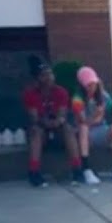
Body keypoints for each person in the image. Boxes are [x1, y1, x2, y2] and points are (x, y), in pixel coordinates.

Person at [23, 55, 83, 187]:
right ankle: (34, 173)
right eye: (44, 75)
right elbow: (34, 117)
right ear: (38, 78)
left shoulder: (61, 92)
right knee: (35, 131)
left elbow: (62, 114)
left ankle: (77, 170)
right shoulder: (30, 94)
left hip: (57, 129)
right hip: (40, 130)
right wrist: (46, 122)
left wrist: (58, 121)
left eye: (50, 74)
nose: (49, 77)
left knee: (68, 128)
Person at [70, 65, 112, 184]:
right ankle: (86, 169)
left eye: (94, 84)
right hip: (86, 135)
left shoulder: (102, 95)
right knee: (84, 128)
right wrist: (97, 116)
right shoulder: (77, 99)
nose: (92, 87)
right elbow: (83, 121)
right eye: (88, 85)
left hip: (102, 131)